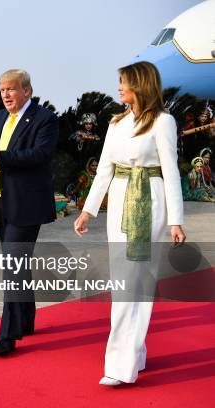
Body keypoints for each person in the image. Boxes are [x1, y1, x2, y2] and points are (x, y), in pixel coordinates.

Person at [74, 61, 186, 386]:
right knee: (125, 280)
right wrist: (88, 210)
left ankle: (120, 367)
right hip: (121, 201)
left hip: (150, 202)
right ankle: (135, 355)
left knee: (136, 282)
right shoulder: (116, 122)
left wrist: (176, 220)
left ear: (140, 85)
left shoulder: (163, 122)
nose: (119, 88)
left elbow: (171, 171)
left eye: (123, 82)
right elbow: (105, 169)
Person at [0, 69, 58, 356]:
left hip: (26, 204)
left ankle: (8, 335)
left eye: (11, 89)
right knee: (17, 264)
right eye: (2, 89)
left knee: (13, 266)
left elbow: (40, 155)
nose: (5, 94)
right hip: (0, 201)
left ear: (27, 91)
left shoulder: (45, 119)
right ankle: (26, 321)